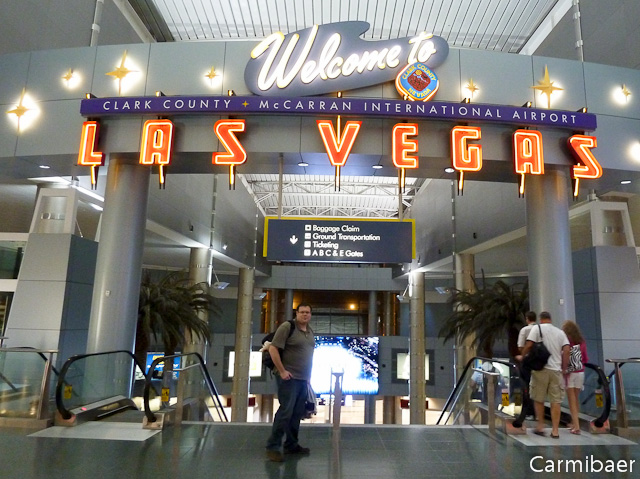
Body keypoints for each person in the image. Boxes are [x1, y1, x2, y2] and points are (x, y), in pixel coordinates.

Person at [266, 303, 315, 462]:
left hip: (302, 379)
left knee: (296, 413)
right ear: (296, 313)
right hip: (288, 378)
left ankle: (291, 445)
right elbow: (273, 349)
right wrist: (282, 371)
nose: (305, 315)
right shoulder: (287, 327)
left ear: (311, 315)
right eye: (302, 312)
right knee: (286, 411)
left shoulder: (309, 331)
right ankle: (273, 447)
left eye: (307, 312)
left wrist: (308, 377)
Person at [522, 311, 570, 438]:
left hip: (540, 369)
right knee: (556, 401)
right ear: (550, 319)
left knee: (539, 399)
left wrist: (523, 356)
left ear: (541, 319)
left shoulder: (536, 329)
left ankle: (540, 426)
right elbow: (566, 350)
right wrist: (564, 368)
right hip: (556, 371)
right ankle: (555, 430)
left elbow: (529, 345)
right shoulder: (560, 332)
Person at [562, 320, 588, 435]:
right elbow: (585, 359)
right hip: (580, 372)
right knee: (576, 399)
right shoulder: (582, 342)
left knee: (571, 400)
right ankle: (574, 423)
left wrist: (564, 368)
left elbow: (564, 355)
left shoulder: (567, 342)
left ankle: (576, 427)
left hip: (570, 373)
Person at [515, 311, 537, 417]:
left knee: (526, 386)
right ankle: (538, 412)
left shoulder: (524, 330)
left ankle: (529, 412)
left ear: (527, 319)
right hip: (540, 362)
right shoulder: (540, 330)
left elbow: (520, 347)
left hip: (527, 362)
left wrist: (523, 354)